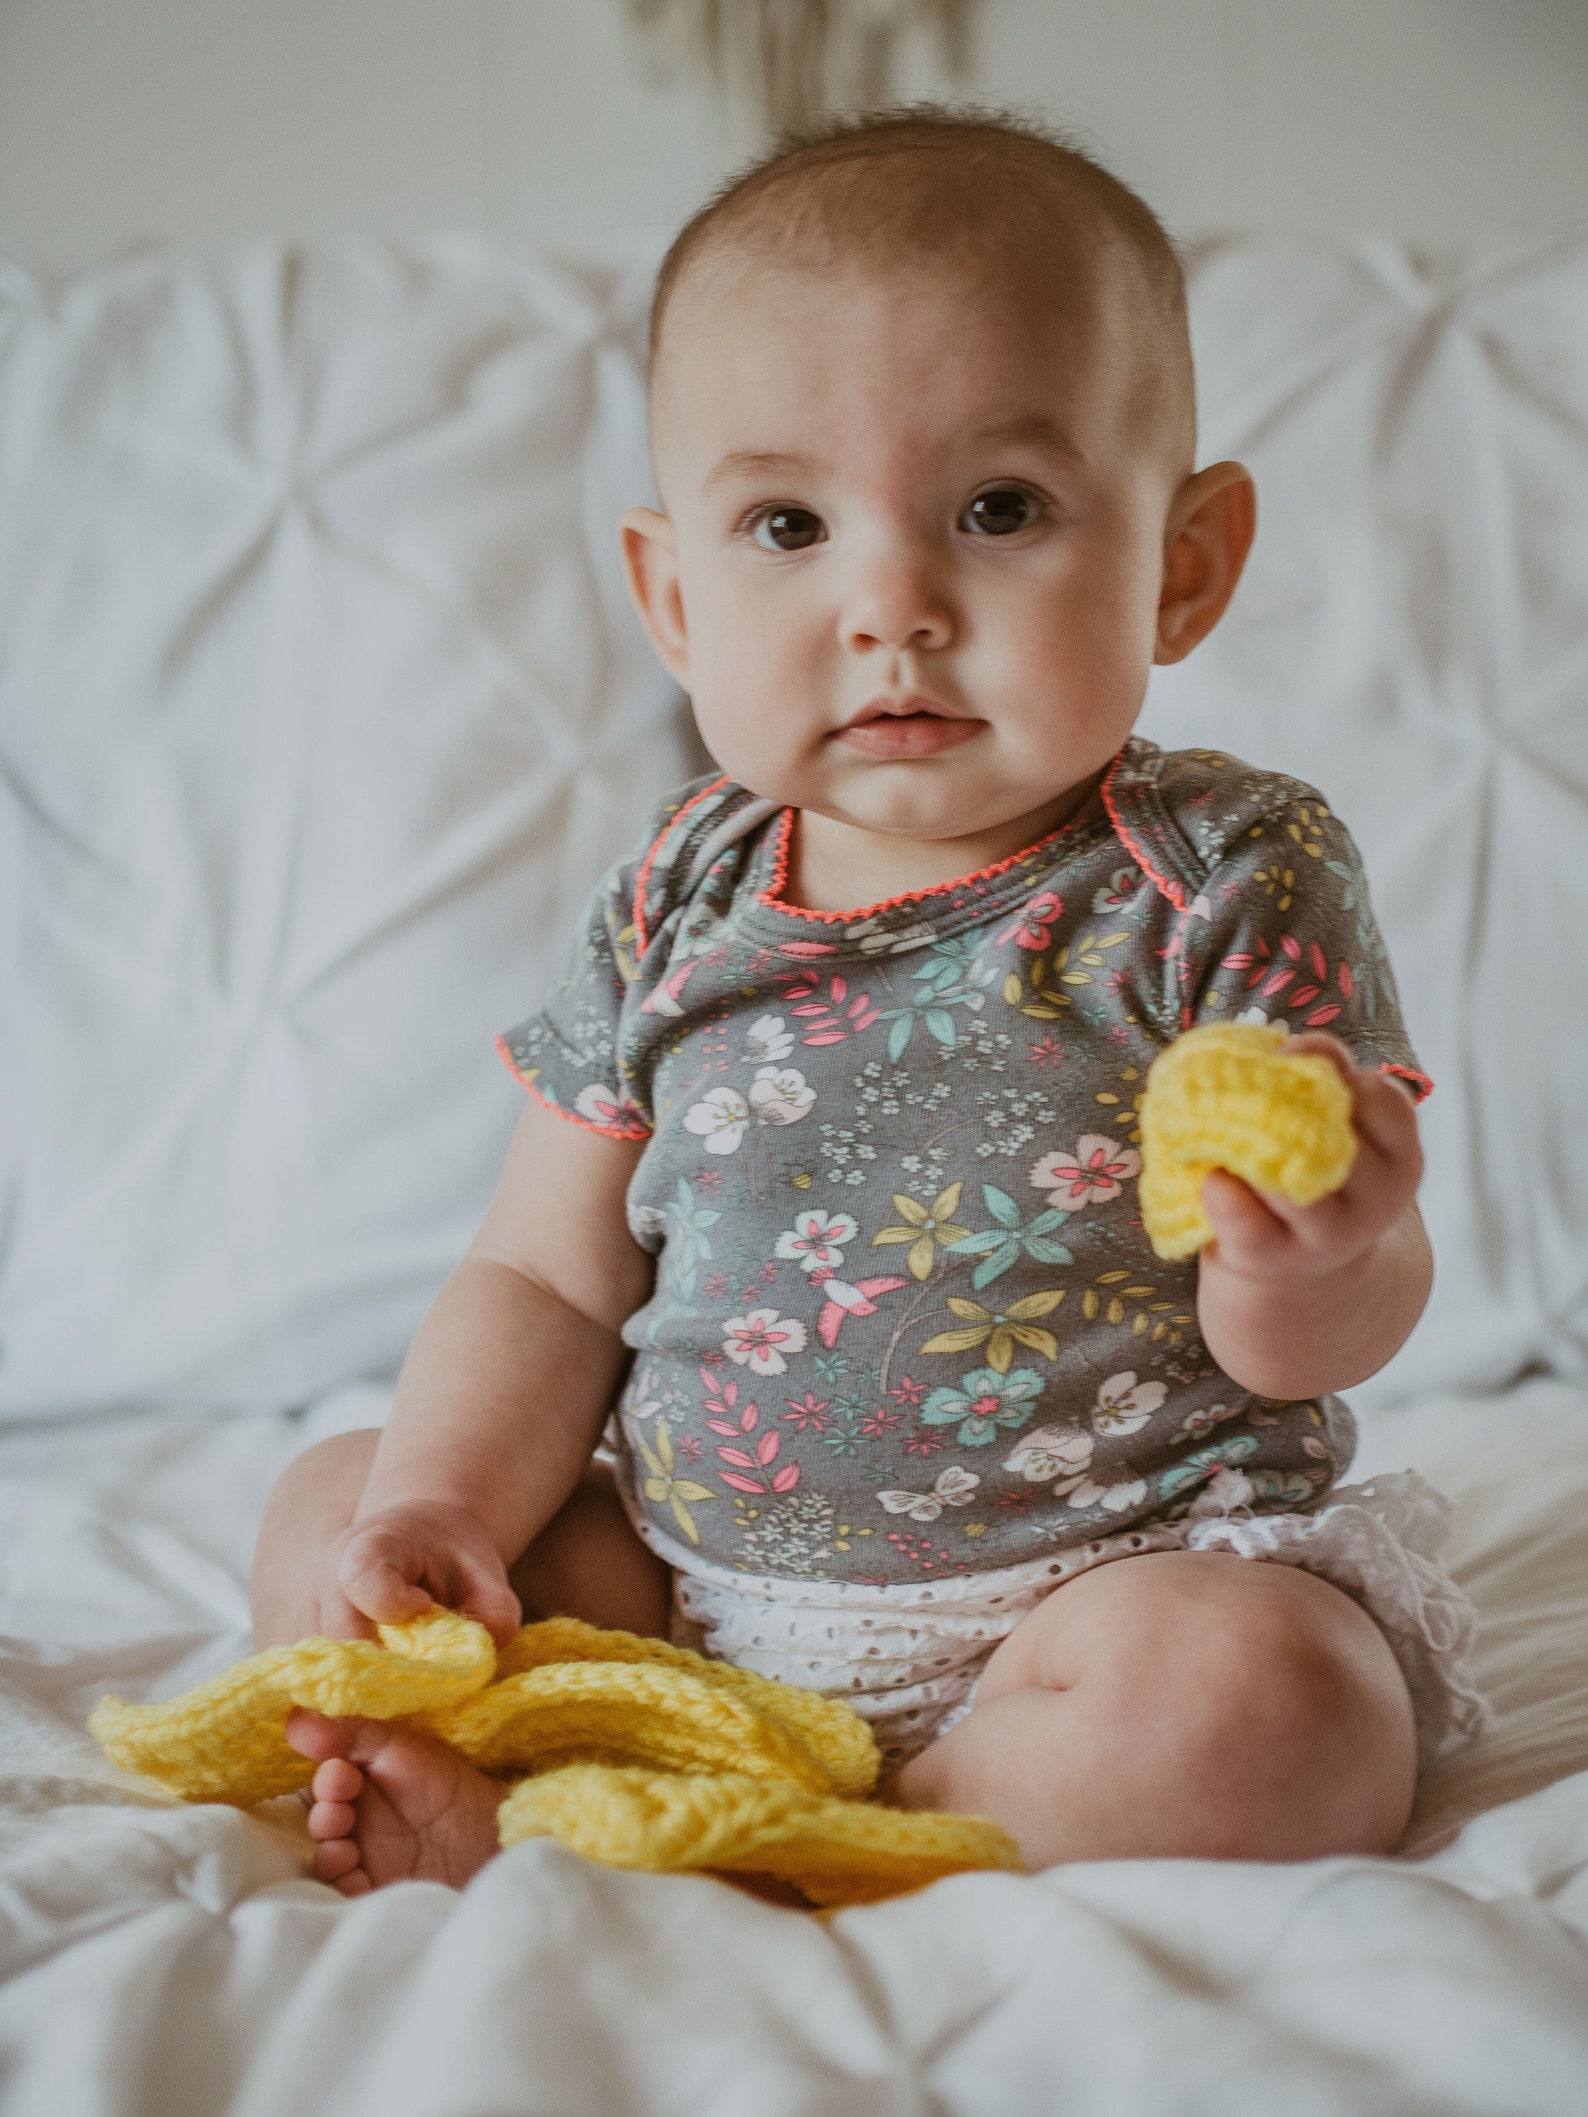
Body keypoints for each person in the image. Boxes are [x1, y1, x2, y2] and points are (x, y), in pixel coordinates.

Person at [251, 107, 1482, 1897]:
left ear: (1183, 562)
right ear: (674, 597)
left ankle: (805, 1843)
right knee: (332, 1508)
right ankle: (623, 1740)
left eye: (999, 508)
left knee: (1274, 1705)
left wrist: (1310, 1256)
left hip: (1093, 1607)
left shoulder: (1223, 866)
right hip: (687, 1593)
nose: (890, 602)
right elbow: (541, 1271)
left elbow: (1309, 1335)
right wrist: (439, 1506)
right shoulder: (676, 894)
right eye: (786, 522)